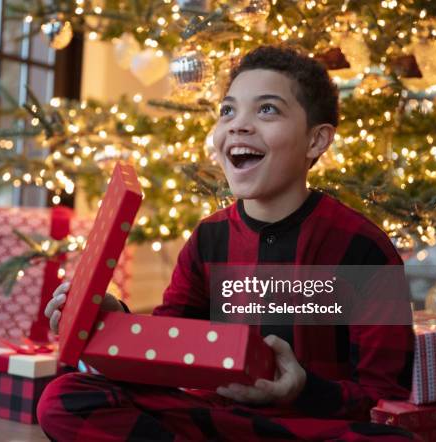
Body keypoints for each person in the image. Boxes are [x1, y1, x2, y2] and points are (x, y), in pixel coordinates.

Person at [37, 45, 416, 441]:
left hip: (312, 430)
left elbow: (383, 397)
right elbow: (167, 344)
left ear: (316, 141)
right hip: (217, 420)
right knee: (65, 397)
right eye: (228, 110)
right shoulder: (209, 238)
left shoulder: (363, 248)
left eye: (267, 109)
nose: (239, 125)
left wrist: (302, 388)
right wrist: (113, 318)